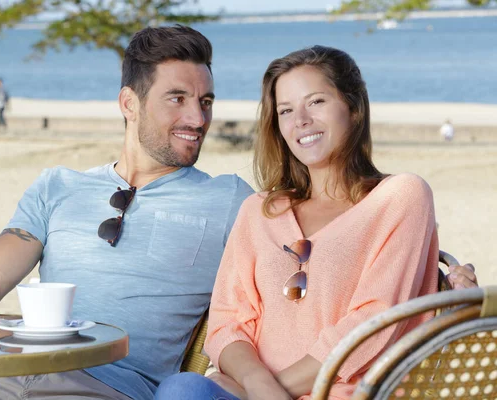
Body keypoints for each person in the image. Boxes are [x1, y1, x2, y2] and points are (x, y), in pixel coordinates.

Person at [0, 30, 477, 400]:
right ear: (129, 104)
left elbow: (356, 283)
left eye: (205, 102)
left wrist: (445, 287)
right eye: (177, 99)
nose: (197, 118)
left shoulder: (230, 200)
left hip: (113, 384)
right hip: (2, 371)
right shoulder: (57, 186)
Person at [154, 46, 478, 400]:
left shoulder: (401, 196)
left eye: (317, 102)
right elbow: (226, 325)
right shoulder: (258, 211)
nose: (301, 120)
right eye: (286, 110)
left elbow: (373, 323)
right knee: (181, 387)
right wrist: (256, 383)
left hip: (340, 395)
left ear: (353, 108)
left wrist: (262, 392)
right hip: (244, 390)